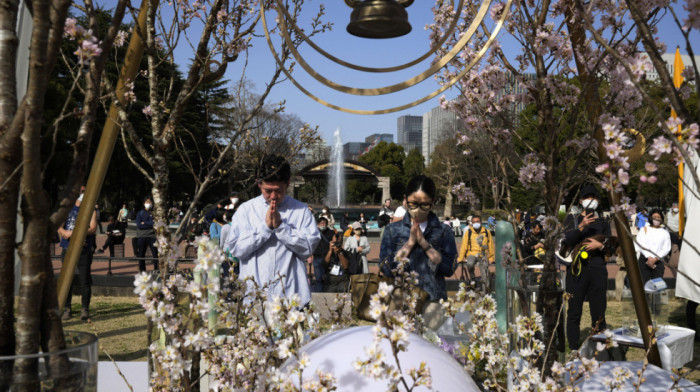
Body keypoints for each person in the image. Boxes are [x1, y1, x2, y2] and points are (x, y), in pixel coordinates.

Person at [227, 154, 321, 306]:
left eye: (278, 190)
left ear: (288, 183)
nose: (273, 196)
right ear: (259, 184)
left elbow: (308, 248)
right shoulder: (246, 210)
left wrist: (281, 228)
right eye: (267, 190)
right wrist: (265, 228)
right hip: (255, 298)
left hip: (291, 298)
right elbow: (237, 250)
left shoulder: (301, 210)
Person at [380, 175, 458, 328]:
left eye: (425, 205)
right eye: (413, 204)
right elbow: (386, 268)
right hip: (400, 298)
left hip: (432, 299)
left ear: (432, 202)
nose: (418, 210)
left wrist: (424, 243)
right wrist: (409, 243)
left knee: (430, 343)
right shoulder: (392, 230)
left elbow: (450, 268)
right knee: (401, 345)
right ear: (405, 199)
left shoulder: (443, 231)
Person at [562, 184, 611, 351]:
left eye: (594, 197)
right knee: (574, 310)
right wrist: (581, 226)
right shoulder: (571, 219)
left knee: (598, 309)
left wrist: (601, 245)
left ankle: (599, 346)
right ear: (581, 201)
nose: (591, 201)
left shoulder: (603, 221)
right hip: (577, 270)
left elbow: (611, 246)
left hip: (597, 268)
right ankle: (574, 347)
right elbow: (566, 241)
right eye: (587, 197)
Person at [58, 191, 98, 320]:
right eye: (81, 192)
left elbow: (92, 228)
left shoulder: (90, 209)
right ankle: (67, 308)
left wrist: (76, 233)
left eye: (85, 192)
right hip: (67, 248)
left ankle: (84, 309)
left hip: (83, 250)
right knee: (66, 279)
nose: (82, 194)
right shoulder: (67, 208)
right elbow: (59, 226)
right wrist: (64, 232)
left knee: (84, 280)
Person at [634, 209, 671, 283]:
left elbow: (666, 248)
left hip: (658, 262)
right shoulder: (643, 229)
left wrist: (655, 259)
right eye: (654, 216)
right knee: (644, 284)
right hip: (644, 260)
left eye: (658, 217)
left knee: (657, 285)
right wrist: (648, 257)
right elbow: (639, 244)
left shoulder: (664, 232)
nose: (656, 218)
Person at [457, 215, 495, 285]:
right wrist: (460, 258)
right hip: (471, 254)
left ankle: (486, 288)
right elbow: (464, 245)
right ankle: (472, 277)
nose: (475, 223)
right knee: (470, 264)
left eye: (477, 221)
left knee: (484, 270)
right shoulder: (469, 232)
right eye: (474, 222)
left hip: (483, 254)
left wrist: (491, 257)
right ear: (472, 223)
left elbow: (491, 245)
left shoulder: (486, 232)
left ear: (480, 222)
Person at [311, 217, 336, 292]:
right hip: (317, 257)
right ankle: (319, 293)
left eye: (324, 223)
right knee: (318, 278)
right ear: (318, 224)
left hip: (328, 257)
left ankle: (327, 292)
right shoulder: (314, 232)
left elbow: (335, 241)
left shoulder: (331, 232)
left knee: (327, 277)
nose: (323, 224)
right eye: (321, 223)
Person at [136, 196, 158, 272]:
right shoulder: (140, 213)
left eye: (150, 202)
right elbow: (139, 225)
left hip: (152, 236)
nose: (148, 203)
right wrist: (150, 224)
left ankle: (156, 269)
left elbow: (155, 224)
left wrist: (144, 223)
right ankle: (142, 270)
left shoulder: (154, 213)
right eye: (147, 202)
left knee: (155, 254)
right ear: (144, 203)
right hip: (142, 236)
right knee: (141, 254)